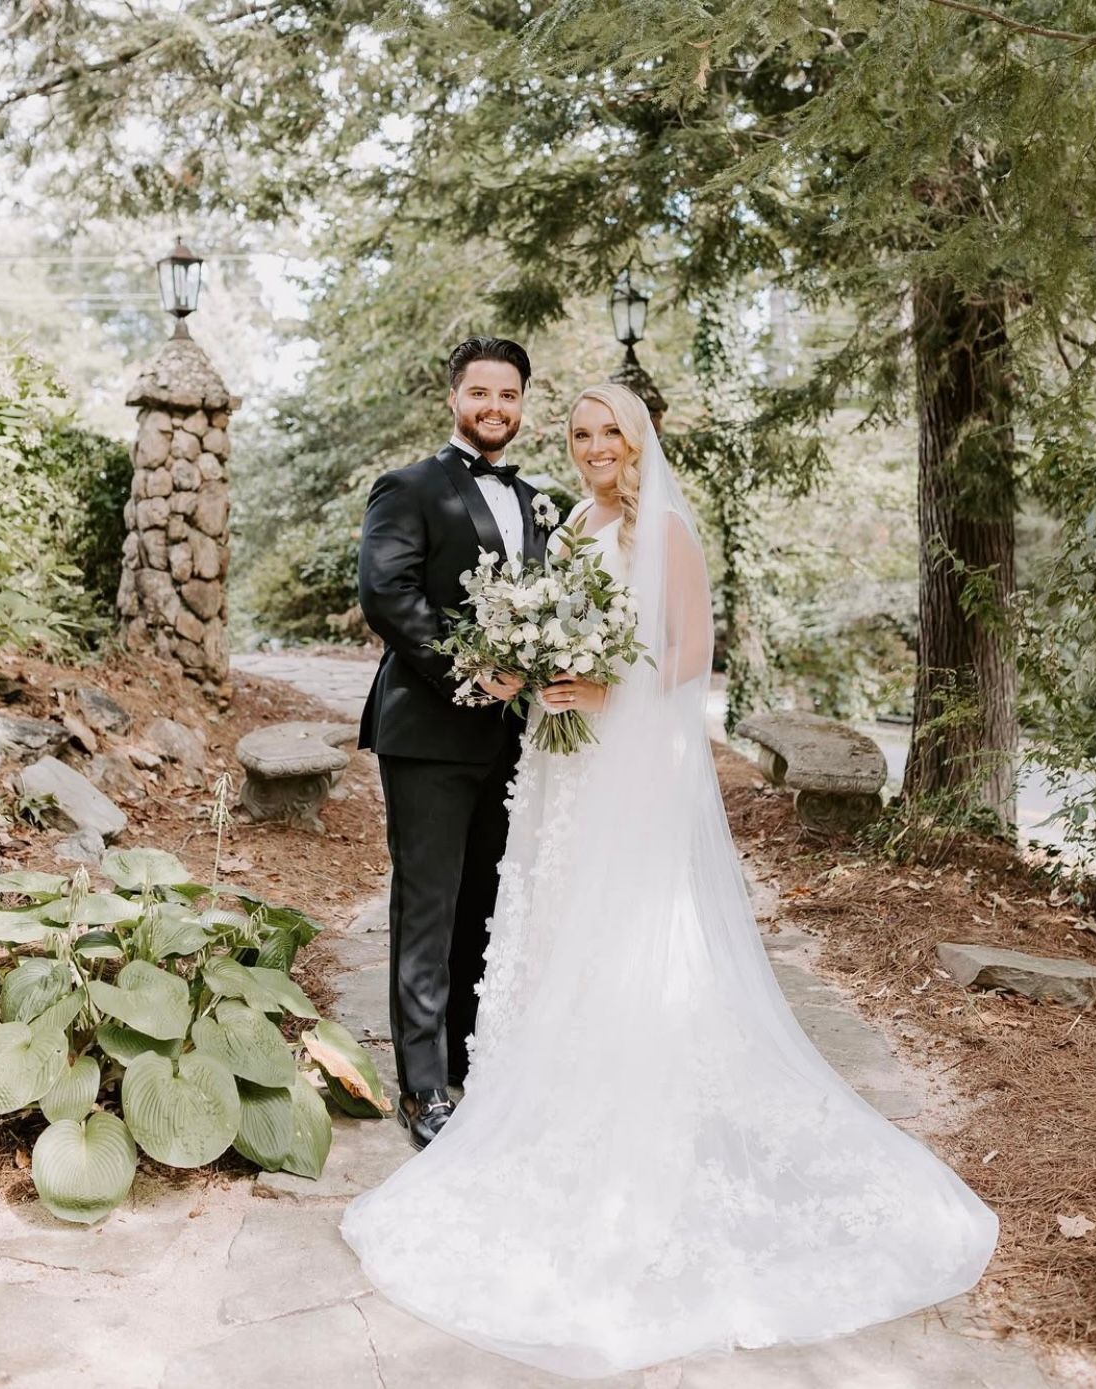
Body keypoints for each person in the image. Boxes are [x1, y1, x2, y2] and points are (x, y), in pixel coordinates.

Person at [343, 383, 999, 1380]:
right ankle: (538, 1112)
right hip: (563, 766)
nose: (595, 446)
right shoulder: (568, 530)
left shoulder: (669, 533)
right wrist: (533, 671)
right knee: (553, 926)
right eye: (581, 433)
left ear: (639, 441)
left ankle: (632, 1130)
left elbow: (690, 659)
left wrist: (606, 684)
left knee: (625, 938)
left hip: (631, 765)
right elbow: (522, 627)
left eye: (611, 432)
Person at [356, 336, 547, 1151]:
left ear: (521, 403)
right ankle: (423, 1086)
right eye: (480, 394)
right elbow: (387, 595)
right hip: (430, 733)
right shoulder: (409, 487)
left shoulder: (541, 501)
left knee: (487, 905)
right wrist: (472, 673)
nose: (494, 408)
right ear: (454, 398)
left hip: (514, 741)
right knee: (427, 908)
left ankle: (472, 1055)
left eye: (507, 395)